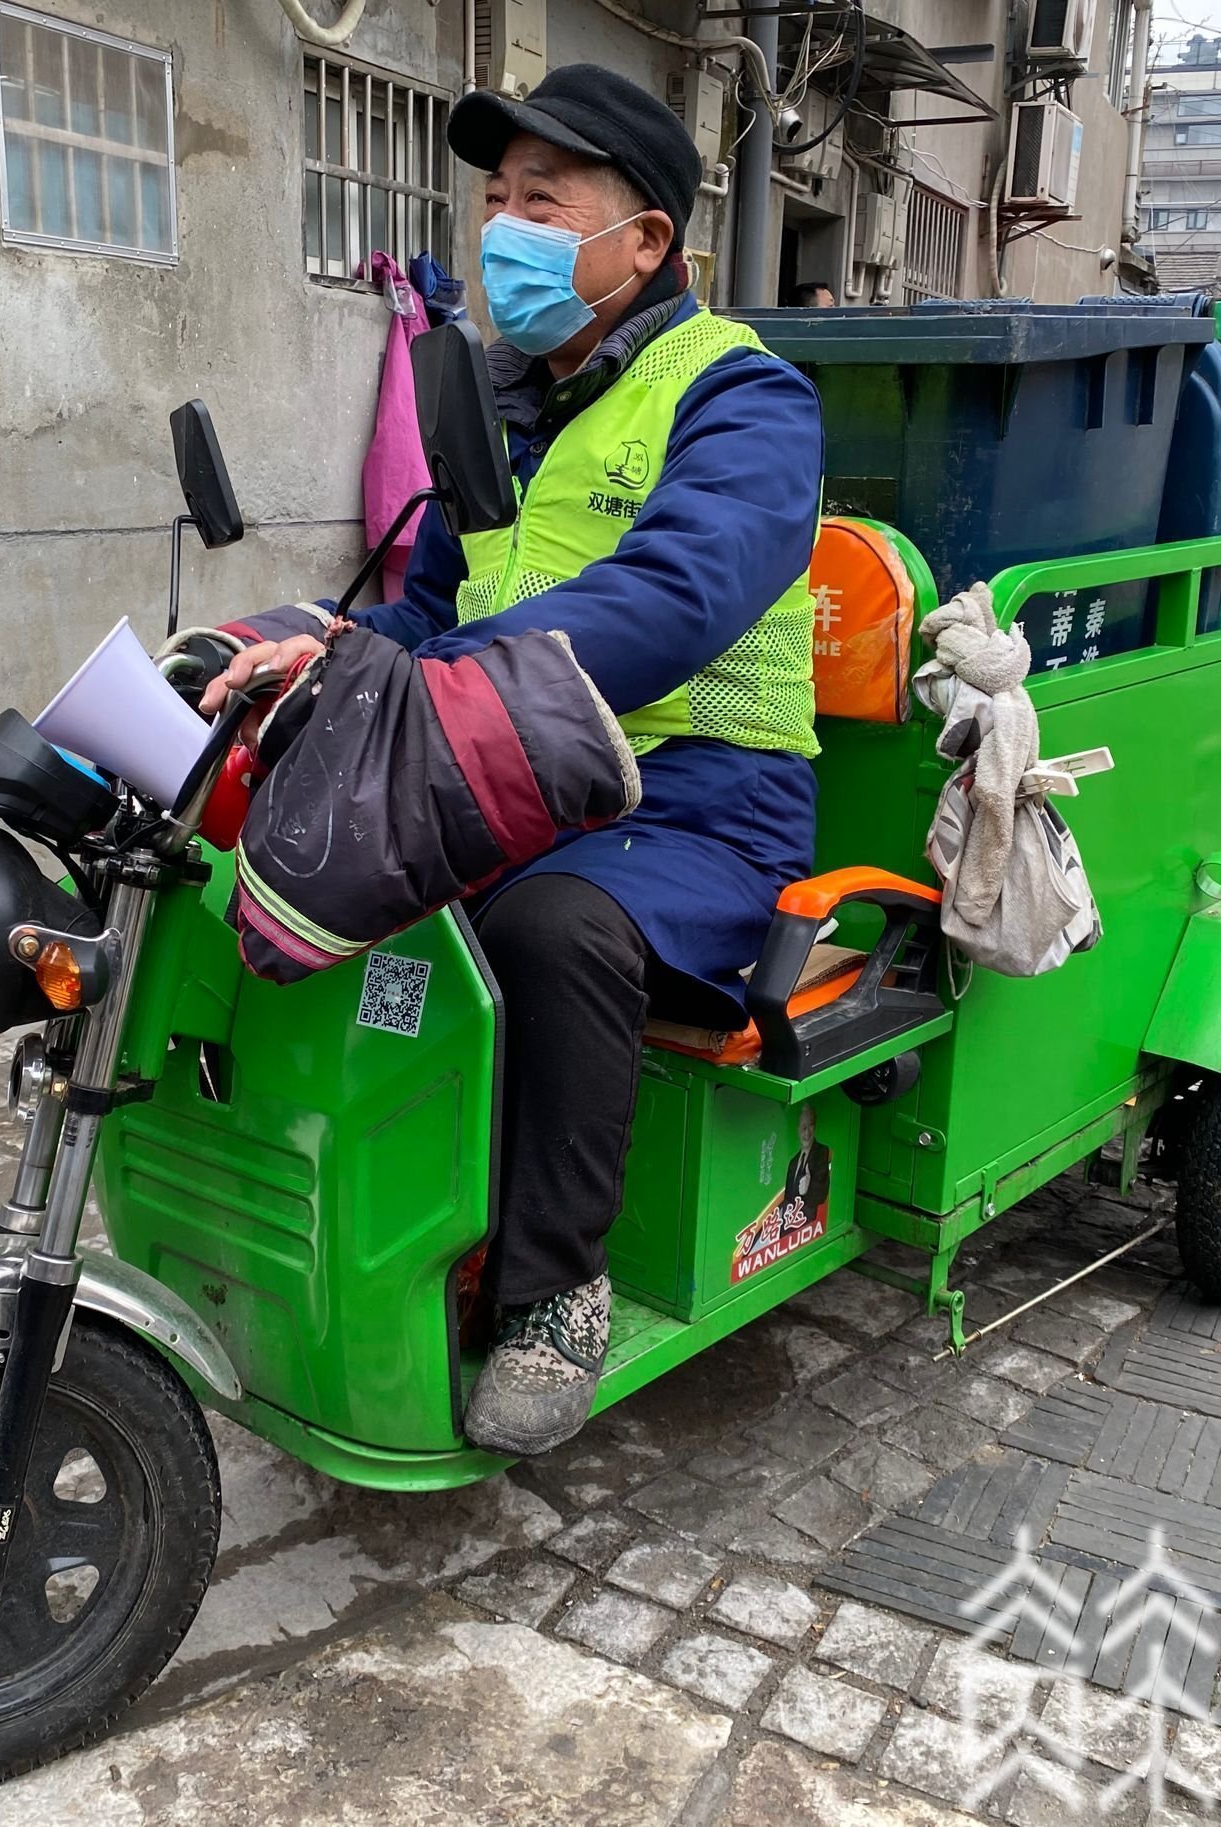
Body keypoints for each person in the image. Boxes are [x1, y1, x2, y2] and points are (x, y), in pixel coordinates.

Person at [203, 65, 823, 1457]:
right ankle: (376, 1217)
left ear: (647, 240)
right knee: (315, 878)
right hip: (510, 775)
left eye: (545, 198)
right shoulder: (487, 402)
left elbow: (676, 594)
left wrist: (410, 680)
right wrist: (278, 641)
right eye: (494, 198)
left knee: (542, 929)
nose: (505, 226)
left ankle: (555, 1295)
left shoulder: (743, 399)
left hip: (701, 805)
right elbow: (422, 608)